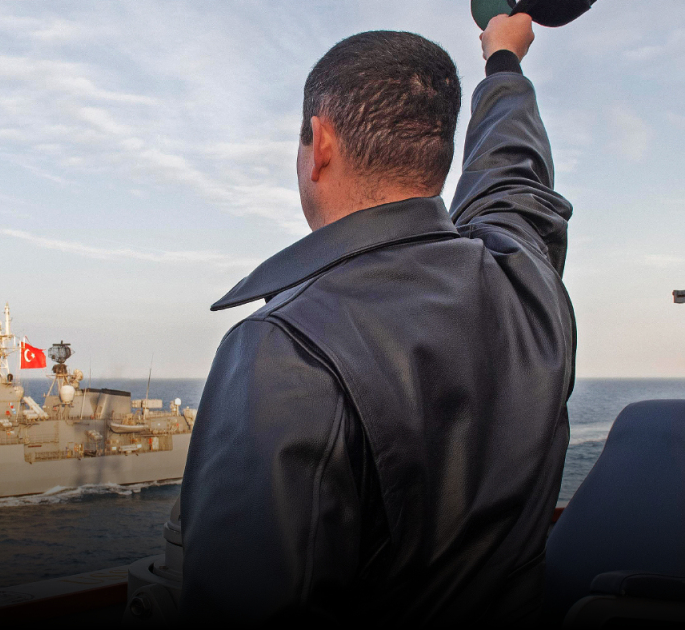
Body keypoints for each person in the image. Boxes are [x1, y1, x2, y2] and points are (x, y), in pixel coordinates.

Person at [179, 14, 574, 625]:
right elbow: (514, 174)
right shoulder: (525, 280)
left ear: (321, 143)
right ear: (439, 152)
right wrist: (504, 64)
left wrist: (504, 63)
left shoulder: (284, 348)